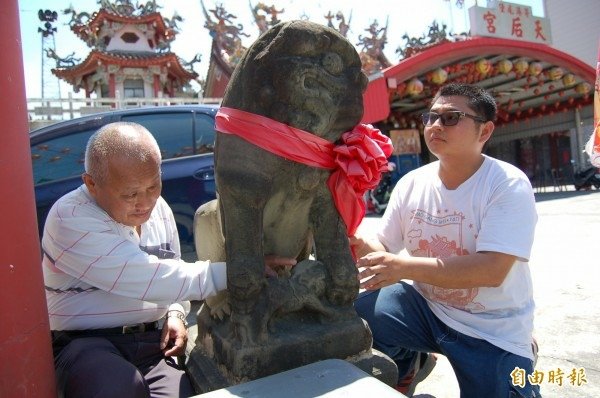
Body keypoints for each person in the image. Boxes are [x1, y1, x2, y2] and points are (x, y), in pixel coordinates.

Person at [42, 122, 295, 398]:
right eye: (130, 194)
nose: (145, 202)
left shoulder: (159, 209)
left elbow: (172, 266)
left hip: (153, 343)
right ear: (91, 184)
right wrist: (239, 272)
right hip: (87, 344)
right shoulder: (69, 217)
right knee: (116, 388)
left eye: (153, 185)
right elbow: (147, 278)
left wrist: (175, 312)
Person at [351, 83, 540, 397]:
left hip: (492, 331)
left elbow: (491, 270)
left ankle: (520, 355)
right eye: (430, 117)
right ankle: (407, 364)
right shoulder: (412, 183)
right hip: (430, 311)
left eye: (451, 118)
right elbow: (384, 249)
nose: (435, 125)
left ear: (485, 130)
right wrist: (353, 240)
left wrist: (402, 266)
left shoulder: (507, 184)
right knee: (359, 313)